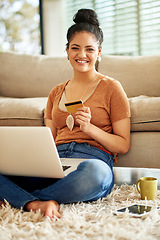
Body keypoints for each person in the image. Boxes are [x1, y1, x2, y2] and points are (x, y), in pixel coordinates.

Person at [0, 9, 130, 220]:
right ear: (67, 51)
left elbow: (123, 145)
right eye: (75, 48)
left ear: (99, 53)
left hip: (92, 161)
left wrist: (89, 128)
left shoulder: (112, 88)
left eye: (89, 49)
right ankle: (36, 203)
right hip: (56, 163)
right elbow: (48, 139)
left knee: (97, 176)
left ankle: (21, 200)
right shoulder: (56, 92)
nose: (81, 55)